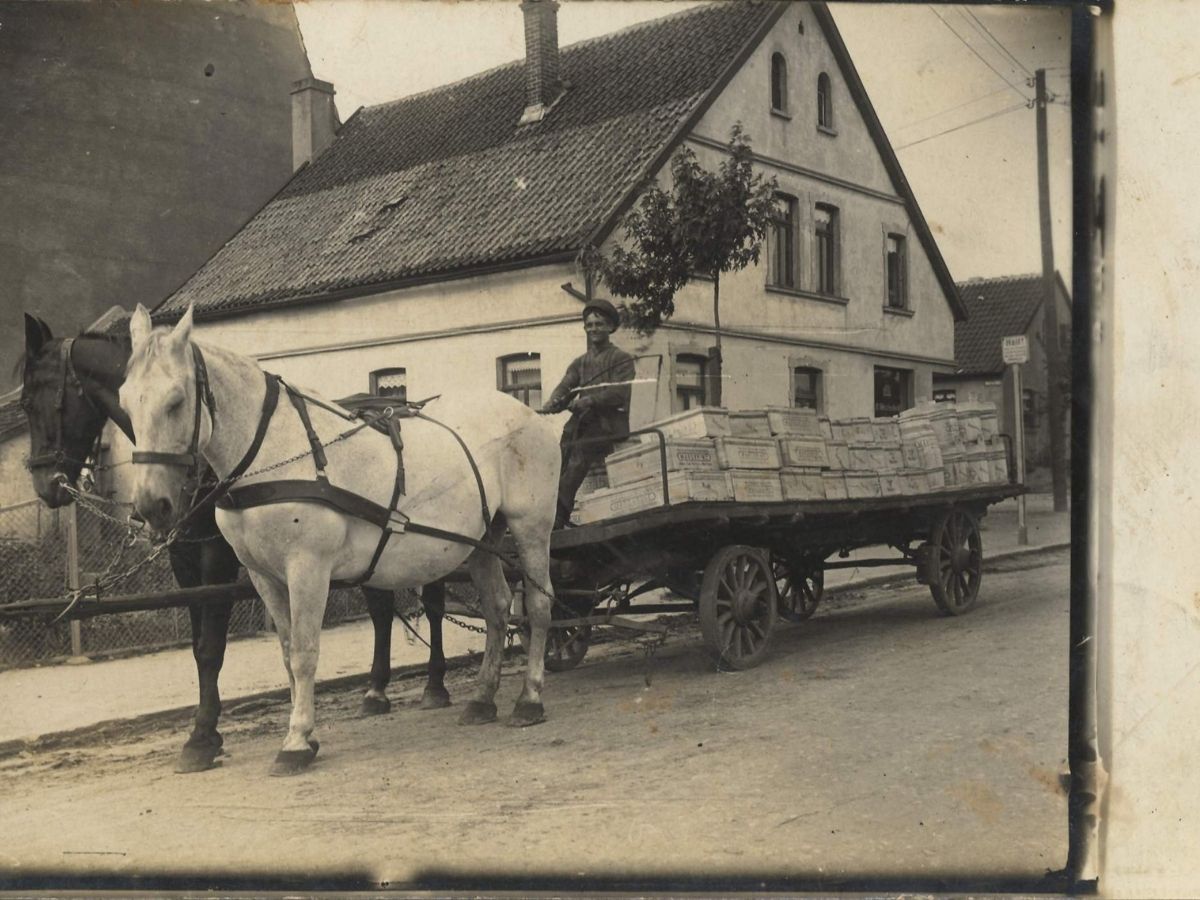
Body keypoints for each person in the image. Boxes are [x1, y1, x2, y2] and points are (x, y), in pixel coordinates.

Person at [540, 298, 636, 528]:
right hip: (583, 422)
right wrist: (555, 401)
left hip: (609, 424)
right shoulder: (580, 362)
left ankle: (558, 517)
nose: (593, 329)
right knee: (558, 457)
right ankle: (542, 513)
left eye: (599, 324)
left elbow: (619, 394)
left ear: (611, 327)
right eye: (589, 325)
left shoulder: (621, 359)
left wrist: (588, 401)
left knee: (577, 461)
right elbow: (566, 386)